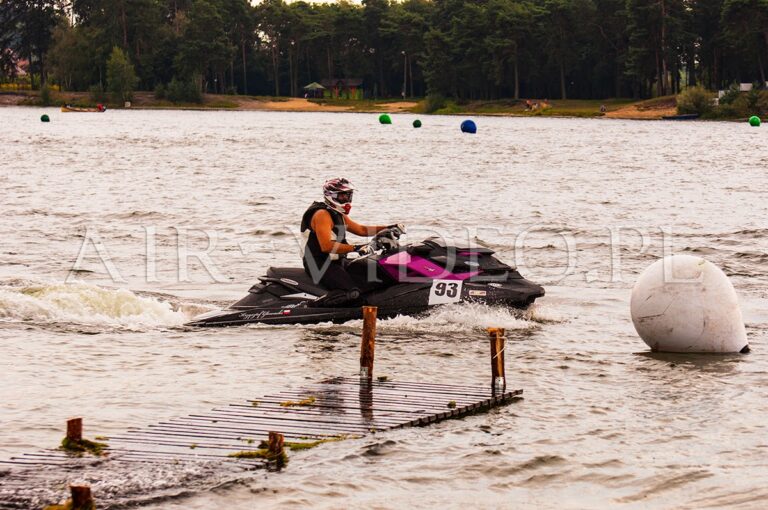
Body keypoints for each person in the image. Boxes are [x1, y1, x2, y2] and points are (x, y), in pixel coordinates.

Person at [301, 178, 403, 304]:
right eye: (343, 196)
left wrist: (389, 227)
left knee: (368, 279)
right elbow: (326, 246)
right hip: (318, 264)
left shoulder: (338, 214)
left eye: (349, 195)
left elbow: (361, 229)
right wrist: (356, 248)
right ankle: (310, 307)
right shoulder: (322, 214)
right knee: (352, 293)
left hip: (336, 261)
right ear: (331, 196)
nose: (347, 199)